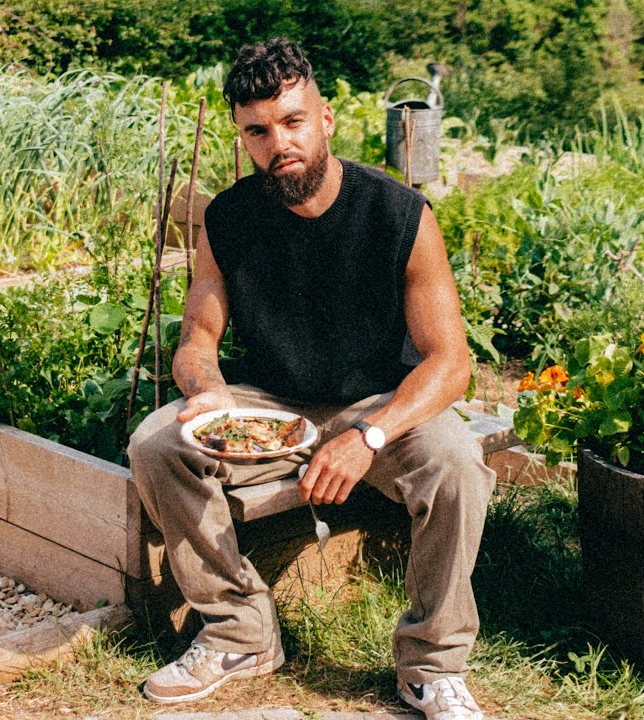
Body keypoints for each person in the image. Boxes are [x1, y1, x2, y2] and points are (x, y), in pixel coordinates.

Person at [127, 37, 496, 720]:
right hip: (269, 408)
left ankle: (432, 664)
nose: (279, 144)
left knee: (457, 462)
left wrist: (371, 434)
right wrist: (207, 391)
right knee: (157, 444)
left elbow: (451, 363)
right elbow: (197, 338)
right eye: (258, 131)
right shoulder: (229, 219)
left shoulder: (398, 215)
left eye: (293, 121)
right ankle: (239, 632)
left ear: (324, 119)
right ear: (244, 138)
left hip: (377, 404)